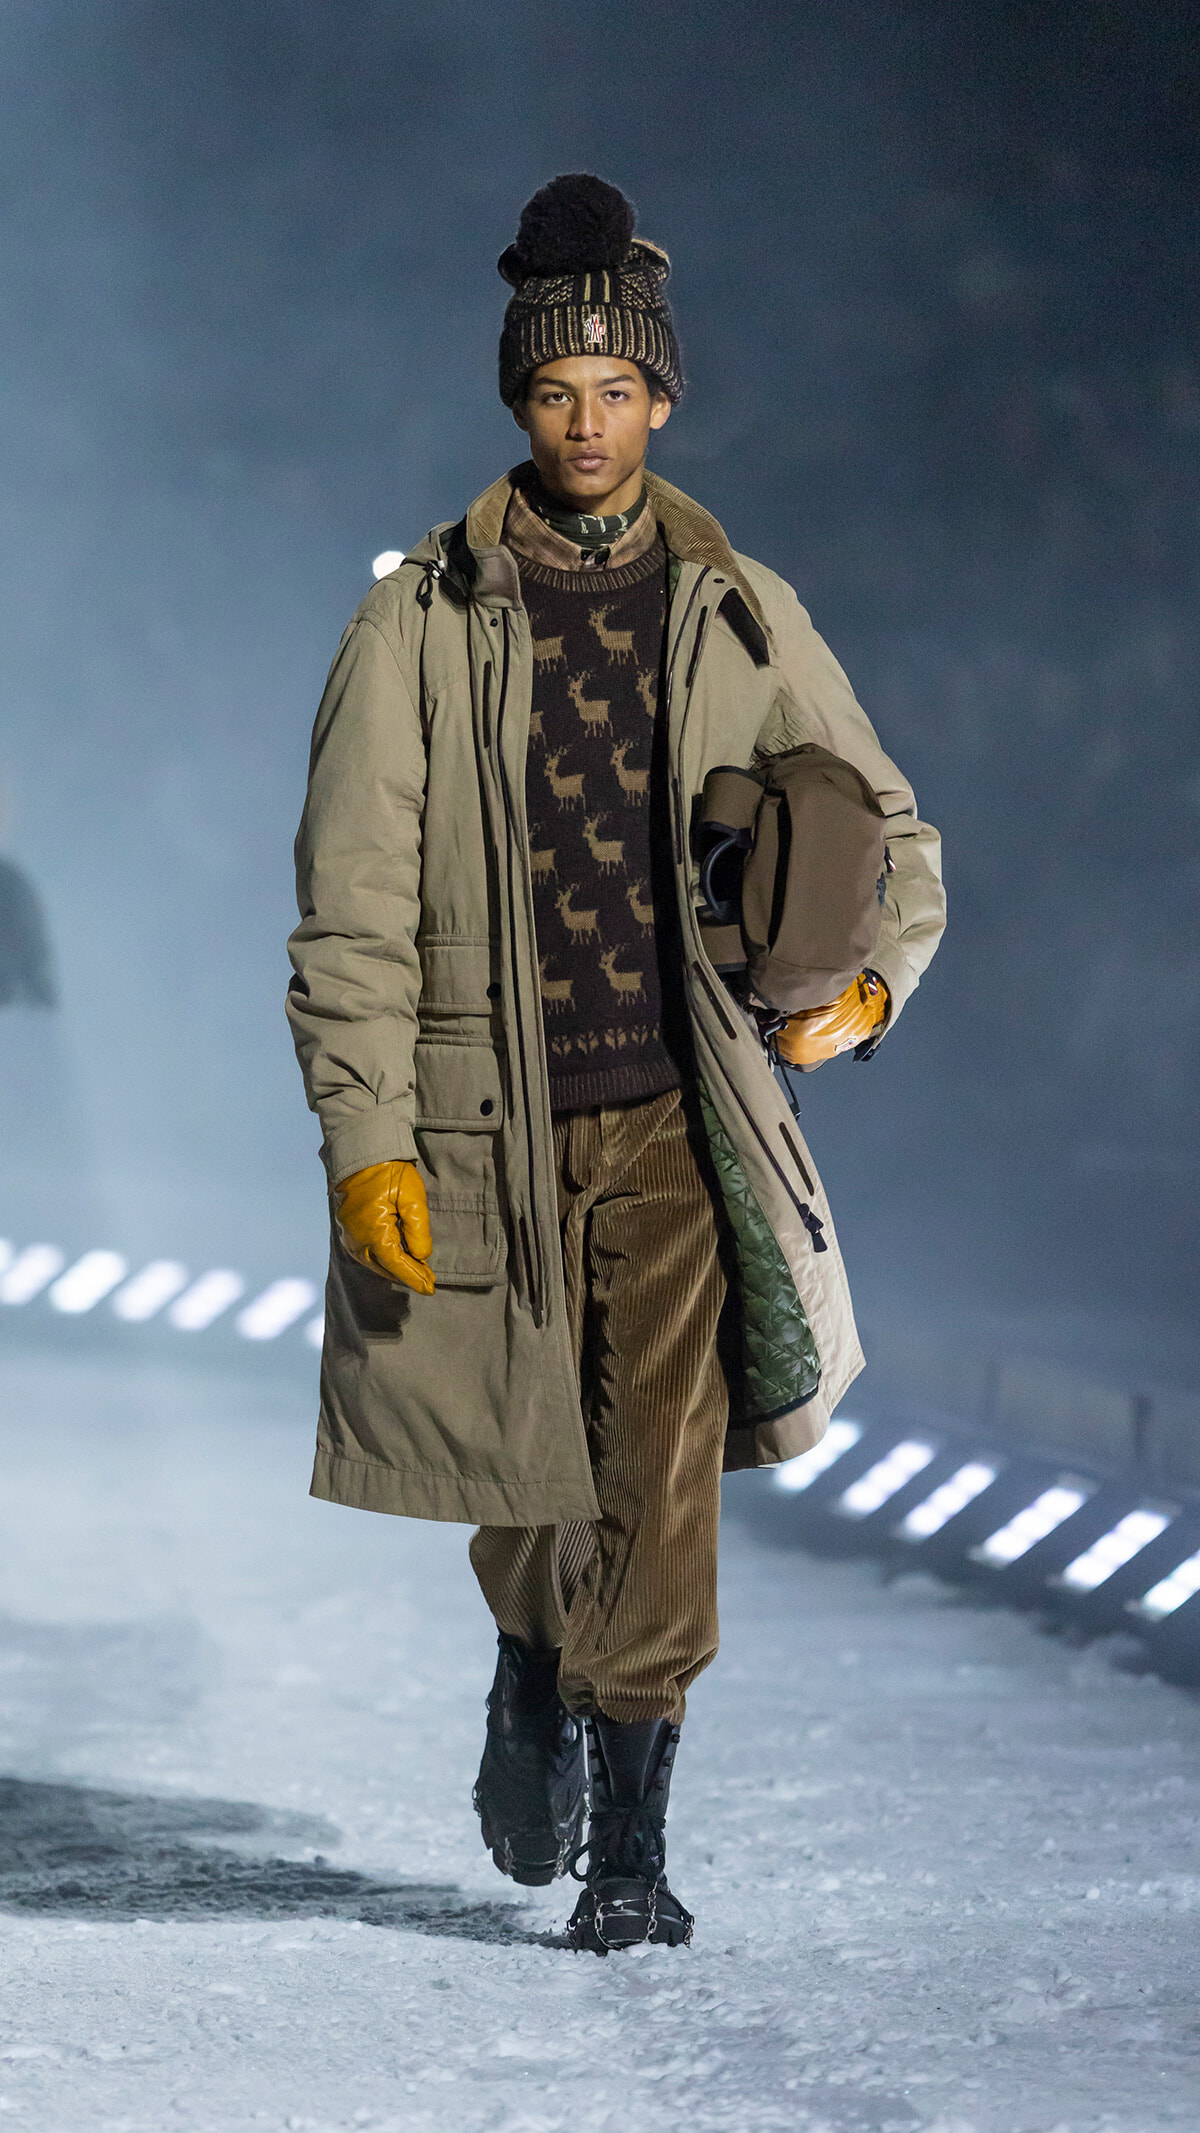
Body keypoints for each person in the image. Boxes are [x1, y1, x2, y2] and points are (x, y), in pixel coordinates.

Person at [287, 174, 945, 1954]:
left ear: (663, 400)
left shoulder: (738, 609)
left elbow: (891, 828)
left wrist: (864, 989)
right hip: (476, 1121)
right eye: (555, 392)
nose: (587, 423)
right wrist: (369, 1140)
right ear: (522, 404)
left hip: (670, 1107)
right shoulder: (416, 622)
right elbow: (349, 915)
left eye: (617, 390)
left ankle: (632, 1850)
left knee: (652, 1469)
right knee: (522, 1473)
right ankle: (527, 1662)